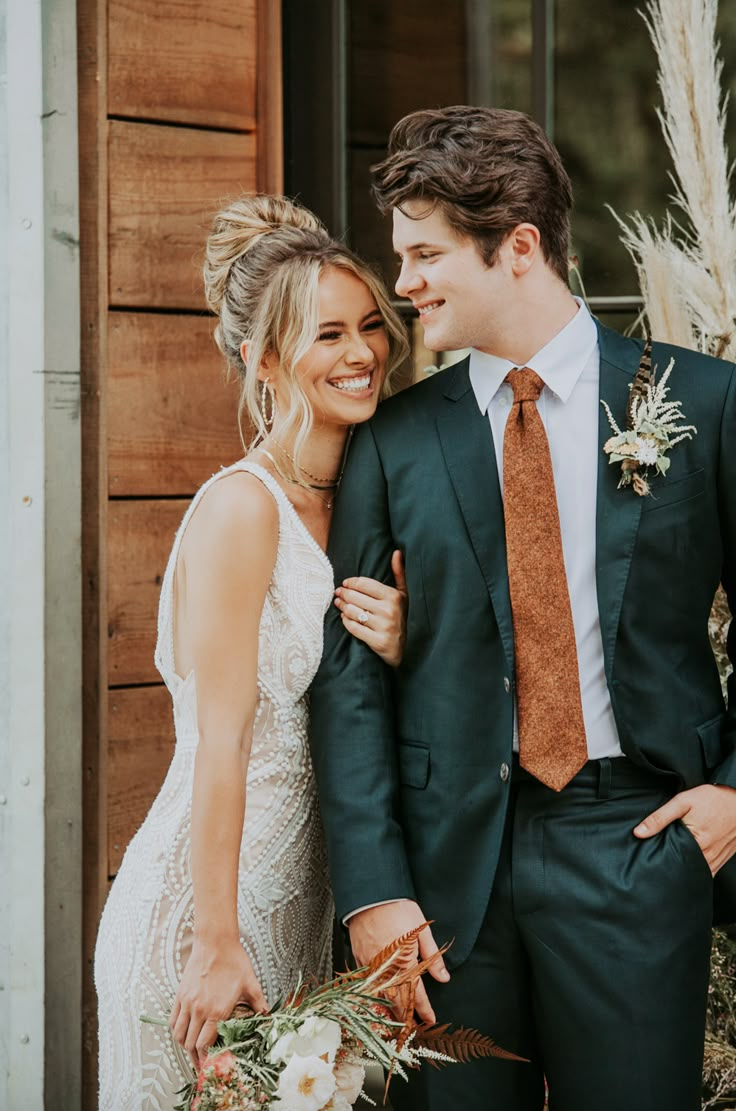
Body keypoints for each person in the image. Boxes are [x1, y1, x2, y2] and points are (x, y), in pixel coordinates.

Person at [310, 106, 736, 1110]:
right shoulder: (393, 441)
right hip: (445, 882)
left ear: (518, 248)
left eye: (423, 254)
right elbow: (349, 682)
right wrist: (374, 892)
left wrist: (731, 795)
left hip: (634, 842)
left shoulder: (706, 405)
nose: (401, 283)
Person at [94, 194, 410, 1110]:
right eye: (328, 336)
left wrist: (401, 643)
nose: (360, 355)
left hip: (307, 913)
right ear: (262, 357)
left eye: (368, 328)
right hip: (205, 918)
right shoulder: (241, 509)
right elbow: (221, 741)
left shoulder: (368, 492)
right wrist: (215, 940)